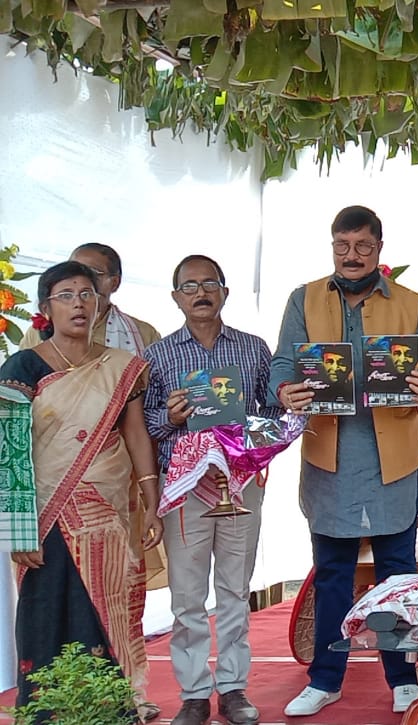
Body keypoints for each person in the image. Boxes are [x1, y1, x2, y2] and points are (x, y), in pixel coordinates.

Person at [270, 206, 418, 717]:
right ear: (332, 247)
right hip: (331, 457)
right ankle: (325, 679)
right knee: (331, 574)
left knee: (398, 575)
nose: (352, 256)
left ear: (379, 249)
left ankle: (403, 677)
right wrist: (286, 389)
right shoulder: (302, 299)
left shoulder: (411, 303)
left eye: (362, 247)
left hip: (394, 460)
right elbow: (284, 361)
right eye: (342, 246)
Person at [1, 262, 163, 715]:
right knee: (45, 610)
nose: (78, 303)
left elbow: (135, 435)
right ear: (45, 307)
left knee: (106, 607)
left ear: (101, 303)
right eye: (66, 294)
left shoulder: (120, 368)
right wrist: (18, 531)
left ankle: (110, 710)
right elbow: (11, 451)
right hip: (44, 514)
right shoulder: (22, 366)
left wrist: (152, 501)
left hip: (106, 513)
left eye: (87, 294)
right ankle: (47, 713)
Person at [142, 256, 282, 725]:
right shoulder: (158, 356)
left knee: (234, 591)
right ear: (176, 296)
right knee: (186, 595)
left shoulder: (254, 349)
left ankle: (234, 689)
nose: (200, 293)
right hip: (185, 488)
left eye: (209, 284)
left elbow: (276, 416)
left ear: (224, 291)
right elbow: (144, 426)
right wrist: (173, 418)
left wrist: (248, 447)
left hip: (240, 485)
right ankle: (194, 693)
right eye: (189, 286)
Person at [18, 243, 161, 353]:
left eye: (92, 272)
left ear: (115, 283)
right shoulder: (40, 331)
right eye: (72, 270)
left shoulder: (144, 334)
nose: (81, 278)